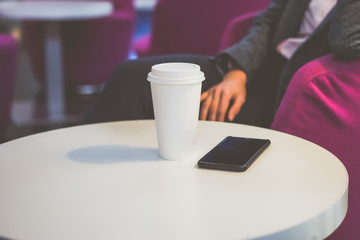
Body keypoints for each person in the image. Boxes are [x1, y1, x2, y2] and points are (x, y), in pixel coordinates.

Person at [83, 0, 360, 128]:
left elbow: (346, 40)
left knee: (149, 97)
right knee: (131, 78)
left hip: (292, 94)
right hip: (258, 70)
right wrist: (237, 73)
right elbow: (268, 19)